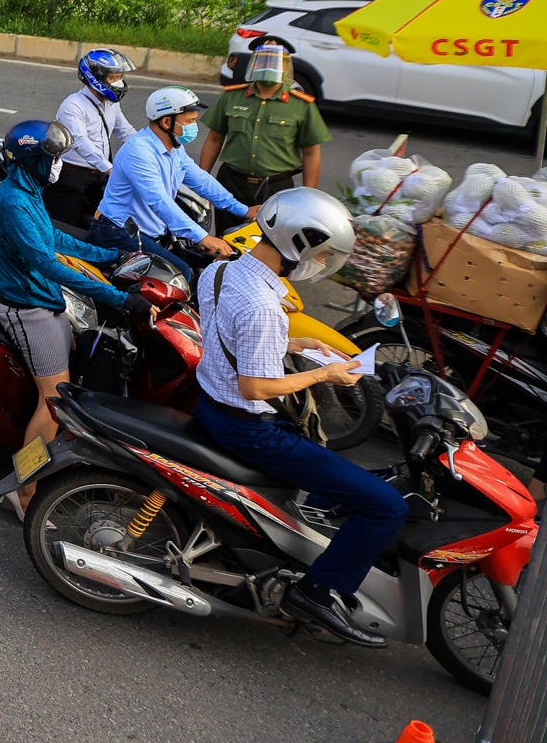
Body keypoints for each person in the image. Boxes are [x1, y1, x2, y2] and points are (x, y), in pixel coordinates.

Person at [190, 187, 402, 647]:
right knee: (387, 506)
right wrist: (325, 373)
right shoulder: (264, 305)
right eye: (321, 252)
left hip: (211, 404)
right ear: (297, 242)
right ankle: (317, 591)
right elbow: (256, 387)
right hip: (251, 429)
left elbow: (231, 337)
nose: (321, 263)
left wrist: (294, 346)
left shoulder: (222, 271)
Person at [0, 119, 134, 510]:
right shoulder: (15, 202)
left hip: (44, 298)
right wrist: (116, 296)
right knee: (54, 400)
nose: (58, 165)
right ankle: (25, 492)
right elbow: (46, 262)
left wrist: (112, 256)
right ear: (31, 159)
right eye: (52, 158)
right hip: (25, 307)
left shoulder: (27, 190)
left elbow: (56, 238)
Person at [93, 86, 250, 284]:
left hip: (150, 231)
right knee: (179, 274)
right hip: (119, 232)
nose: (194, 128)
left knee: (200, 260)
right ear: (167, 122)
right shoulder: (140, 152)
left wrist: (243, 210)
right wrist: (204, 237)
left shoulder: (175, 148)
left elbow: (202, 180)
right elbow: (159, 201)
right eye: (189, 122)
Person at [197, 41, 331, 226]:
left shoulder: (301, 105)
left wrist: (307, 197)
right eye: (262, 61)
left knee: (269, 246)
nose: (268, 66)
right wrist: (202, 184)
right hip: (231, 183)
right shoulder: (231, 96)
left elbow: (311, 152)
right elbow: (214, 139)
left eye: (275, 62)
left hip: (277, 188)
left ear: (285, 67)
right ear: (253, 64)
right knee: (226, 242)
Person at [49, 49, 138, 228]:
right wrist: (109, 168)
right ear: (95, 77)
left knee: (101, 228)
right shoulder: (74, 105)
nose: (118, 83)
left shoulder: (111, 103)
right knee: (66, 231)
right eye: (113, 78)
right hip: (71, 177)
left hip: (99, 178)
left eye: (120, 77)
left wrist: (148, 148)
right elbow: (80, 141)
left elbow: (125, 131)